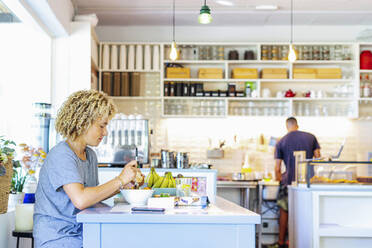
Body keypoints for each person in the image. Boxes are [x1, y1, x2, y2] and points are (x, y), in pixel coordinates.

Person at [33, 90, 140, 248]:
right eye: (101, 126)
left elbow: (92, 197)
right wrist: (120, 180)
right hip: (58, 237)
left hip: (80, 231)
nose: (105, 132)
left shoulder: (90, 155)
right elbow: (81, 200)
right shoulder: (61, 155)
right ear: (83, 122)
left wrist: (123, 187)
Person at [270, 117, 321, 248]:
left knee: (284, 211)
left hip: (288, 182)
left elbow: (277, 167)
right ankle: (308, 242)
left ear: (287, 126)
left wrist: (279, 179)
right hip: (308, 182)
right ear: (297, 125)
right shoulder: (311, 137)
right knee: (307, 212)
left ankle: (281, 243)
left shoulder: (281, 141)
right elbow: (318, 159)